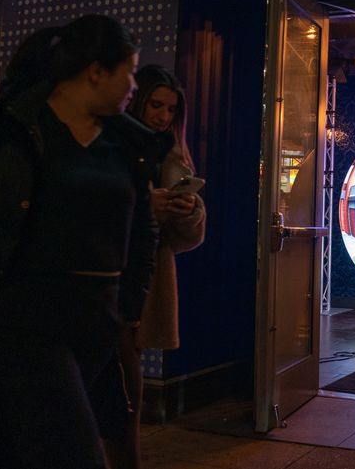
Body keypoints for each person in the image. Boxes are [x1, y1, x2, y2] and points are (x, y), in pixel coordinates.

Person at [0, 15, 171, 469]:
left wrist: (128, 303)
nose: (135, 86)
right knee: (73, 451)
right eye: (129, 72)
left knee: (0, 446)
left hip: (96, 326)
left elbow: (141, 228)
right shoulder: (7, 127)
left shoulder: (128, 144)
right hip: (26, 320)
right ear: (96, 71)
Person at [102, 64, 206, 469]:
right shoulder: (112, 143)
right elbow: (90, 212)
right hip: (110, 276)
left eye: (171, 109)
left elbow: (187, 239)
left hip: (144, 278)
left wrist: (187, 209)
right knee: (121, 385)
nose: (163, 116)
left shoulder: (172, 153)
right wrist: (147, 207)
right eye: (156, 105)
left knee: (129, 387)